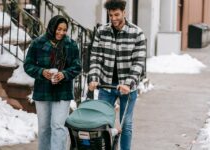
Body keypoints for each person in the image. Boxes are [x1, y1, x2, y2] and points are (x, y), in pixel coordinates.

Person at [88, 0, 147, 150]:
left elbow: (138, 63)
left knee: (125, 125)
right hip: (106, 86)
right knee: (102, 124)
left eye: (116, 14)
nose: (113, 18)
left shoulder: (137, 33)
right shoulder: (101, 32)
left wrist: (128, 83)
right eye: (110, 15)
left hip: (127, 88)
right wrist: (94, 78)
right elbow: (95, 58)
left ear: (124, 12)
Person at [23, 15, 81, 150]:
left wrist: (64, 74)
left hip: (63, 91)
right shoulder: (38, 43)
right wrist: (42, 72)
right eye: (58, 29)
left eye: (64, 30)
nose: (61, 32)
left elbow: (77, 67)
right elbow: (28, 65)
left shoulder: (71, 45)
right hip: (43, 90)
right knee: (44, 128)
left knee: (58, 126)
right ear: (52, 27)